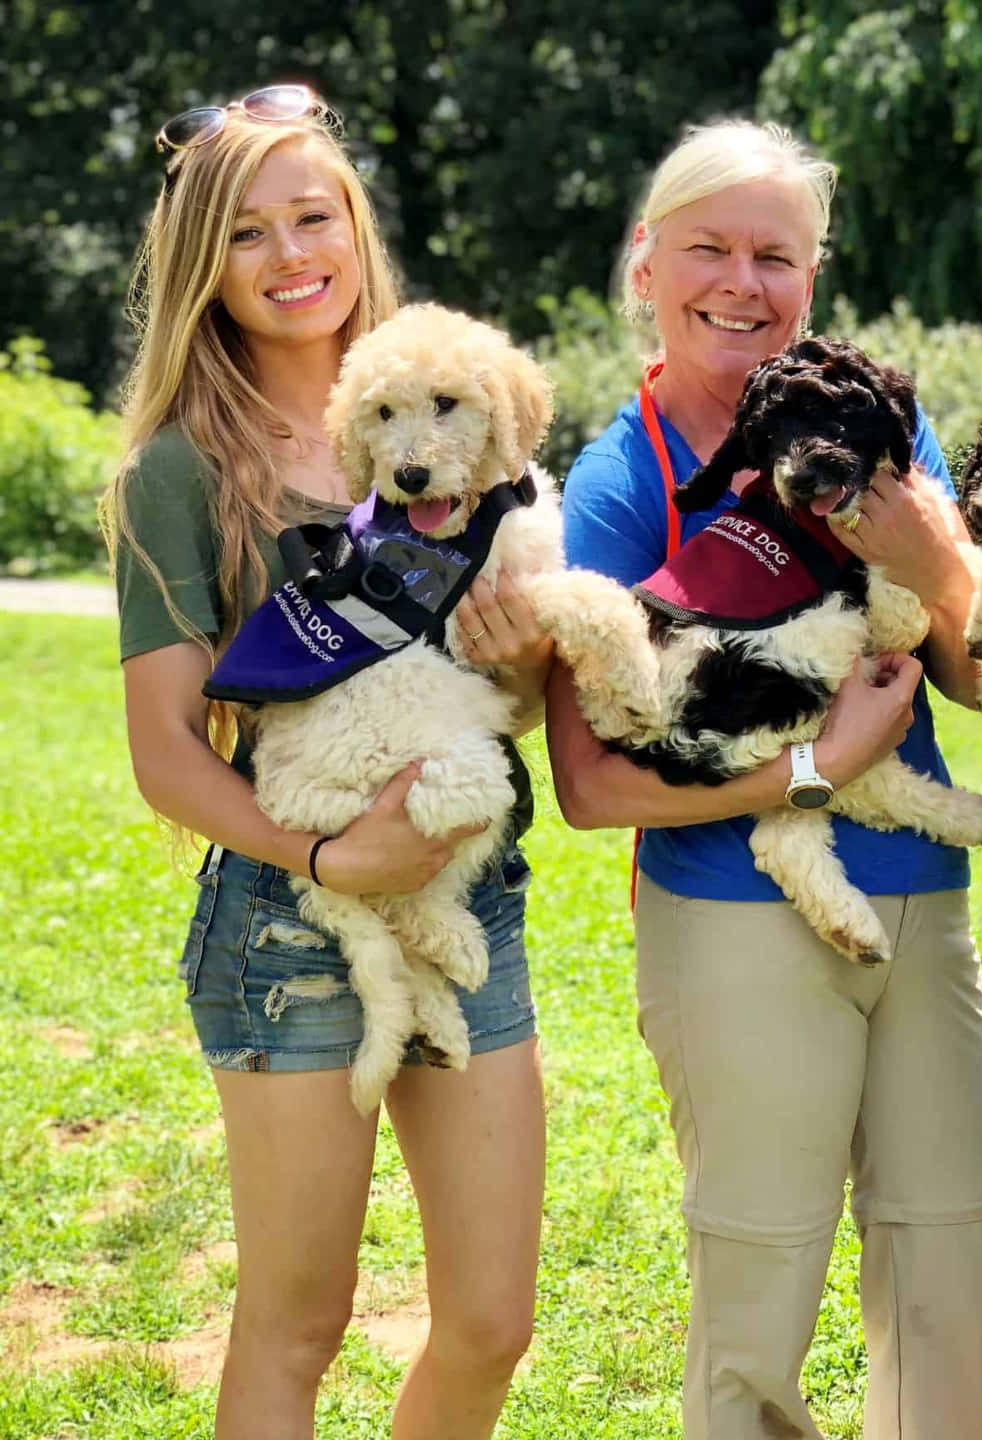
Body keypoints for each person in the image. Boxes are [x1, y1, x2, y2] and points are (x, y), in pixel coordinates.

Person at [545, 119, 982, 1440]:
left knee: (951, 1262)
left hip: (921, 907)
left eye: (777, 255)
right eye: (709, 249)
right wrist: (813, 772)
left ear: (814, 276)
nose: (742, 282)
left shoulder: (869, 436)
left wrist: (934, 550)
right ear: (647, 265)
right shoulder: (621, 481)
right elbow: (590, 785)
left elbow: (980, 680)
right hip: (735, 920)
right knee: (761, 1287)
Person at [103, 90, 550, 1440]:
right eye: (248, 231)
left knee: (490, 1322)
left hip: (473, 901)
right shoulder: (176, 473)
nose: (290, 252)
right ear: (204, 263)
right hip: (287, 919)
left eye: (314, 216)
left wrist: (525, 665)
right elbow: (165, 755)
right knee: (298, 1324)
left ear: (355, 227)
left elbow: (507, 700)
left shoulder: (458, 419)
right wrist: (327, 853)